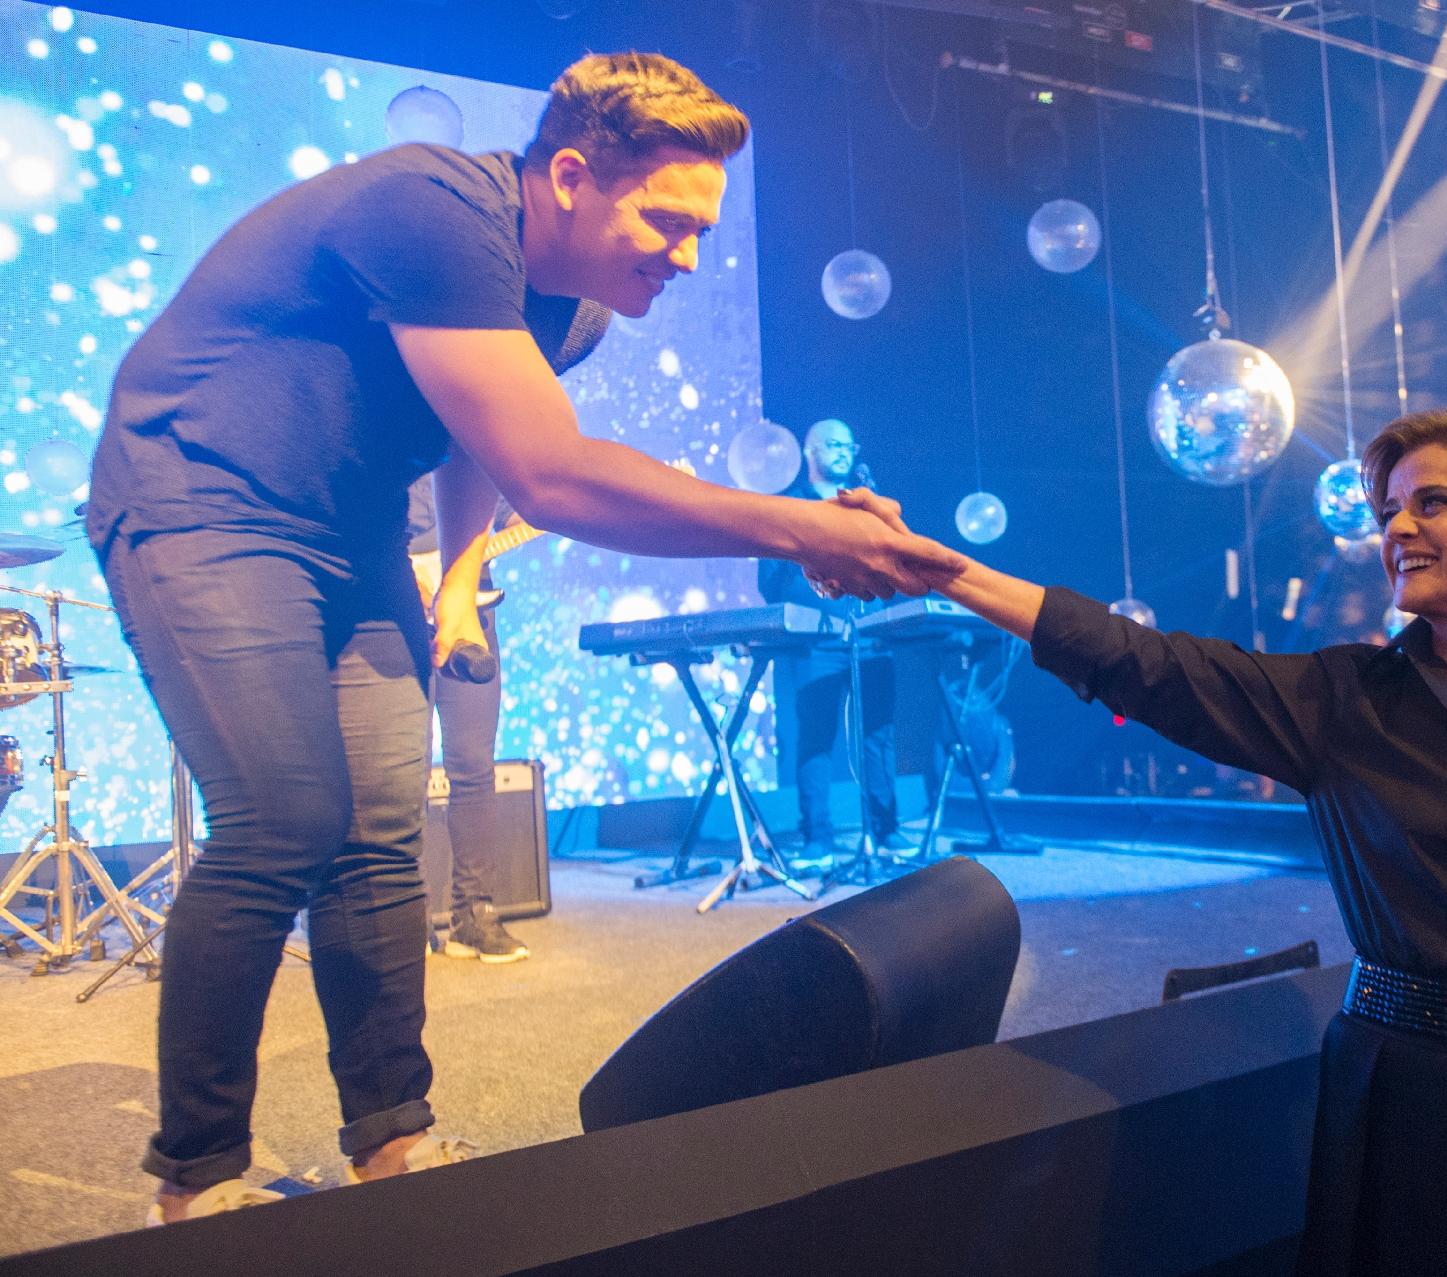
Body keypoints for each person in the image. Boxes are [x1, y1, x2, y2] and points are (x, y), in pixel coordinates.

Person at [87, 52, 956, 1224]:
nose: (689, 257)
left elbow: (477, 442)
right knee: (285, 817)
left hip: (353, 532)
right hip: (202, 499)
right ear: (569, 177)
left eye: (704, 230)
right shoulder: (433, 210)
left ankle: (390, 1140)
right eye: (667, 219)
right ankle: (194, 1178)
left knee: (388, 833)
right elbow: (552, 474)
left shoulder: (576, 310)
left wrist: (454, 579)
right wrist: (801, 528)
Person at [830, 409, 1447, 1275]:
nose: (1397, 526)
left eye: (1432, 502)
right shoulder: (1340, 702)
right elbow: (1147, 664)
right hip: (1414, 1104)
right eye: (1388, 509)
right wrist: (949, 571)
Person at [757, 419, 910, 865]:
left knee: (879, 736)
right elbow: (770, 582)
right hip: (818, 642)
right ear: (810, 451)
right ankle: (817, 838)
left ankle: (886, 831)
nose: (844, 451)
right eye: (833, 444)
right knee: (816, 738)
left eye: (849, 444)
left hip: (872, 638)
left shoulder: (869, 505)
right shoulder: (789, 507)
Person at [406, 475, 530, 962]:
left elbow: (513, 515)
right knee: (404, 774)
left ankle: (473, 917)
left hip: (472, 614)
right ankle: (406, 917)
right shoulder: (389, 435)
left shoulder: (474, 445)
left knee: (475, 766)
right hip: (398, 610)